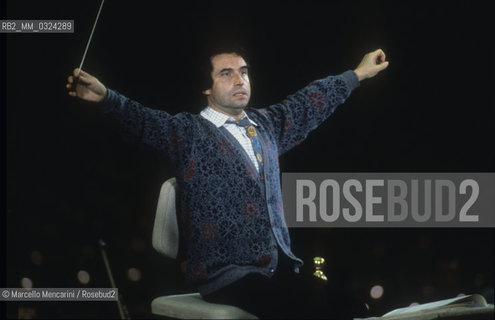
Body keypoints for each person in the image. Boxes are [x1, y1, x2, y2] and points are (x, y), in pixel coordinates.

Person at [66, 46, 388, 319]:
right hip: (226, 274)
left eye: (244, 72)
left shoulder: (266, 125)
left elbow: (308, 103)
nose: (239, 79)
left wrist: (357, 74)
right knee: (308, 309)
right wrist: (106, 97)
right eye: (226, 73)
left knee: (352, 307)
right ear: (206, 88)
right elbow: (141, 120)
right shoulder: (188, 133)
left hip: (277, 270)